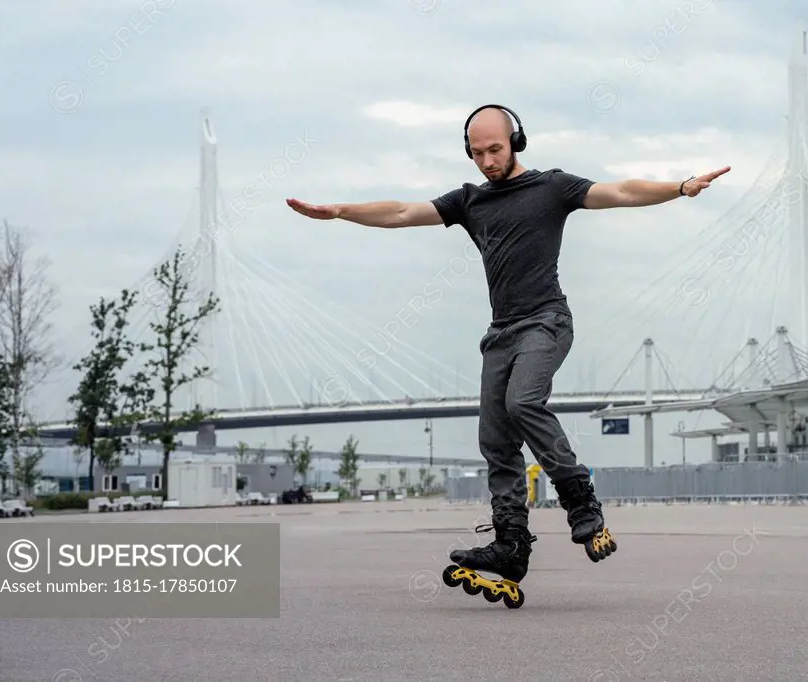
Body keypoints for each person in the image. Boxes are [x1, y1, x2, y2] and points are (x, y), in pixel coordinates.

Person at [286, 104, 729, 588]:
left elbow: (620, 191)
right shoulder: (470, 200)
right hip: (500, 333)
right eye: (476, 153)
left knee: (523, 402)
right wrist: (340, 212)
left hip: (547, 321)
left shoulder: (552, 188)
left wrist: (680, 187)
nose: (486, 162)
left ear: (516, 141)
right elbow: (400, 212)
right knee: (495, 439)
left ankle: (578, 496)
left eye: (495, 150)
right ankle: (511, 543)